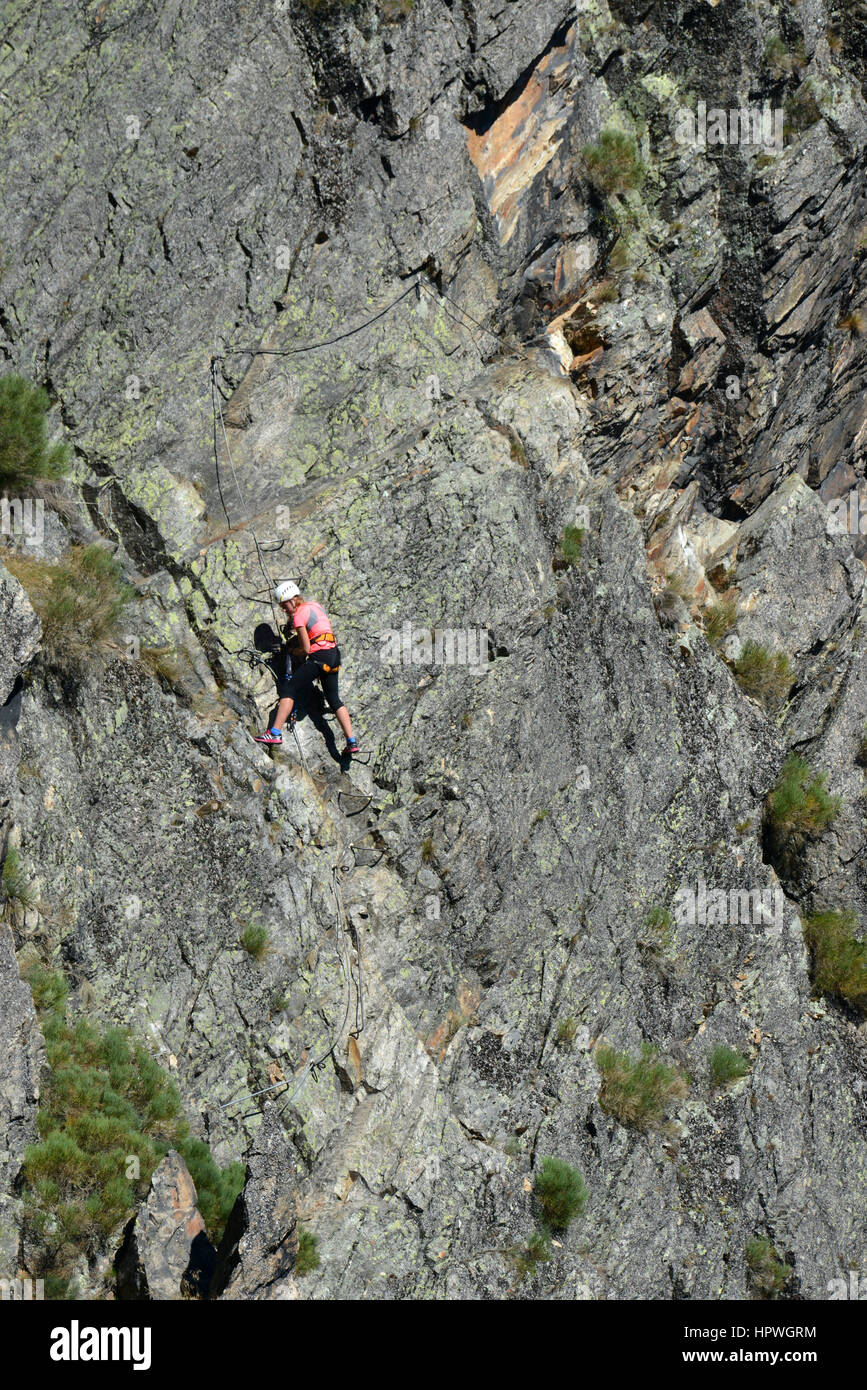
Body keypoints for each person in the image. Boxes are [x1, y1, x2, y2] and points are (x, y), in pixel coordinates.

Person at [254, 581, 359, 755]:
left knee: (289, 688)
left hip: (319, 657)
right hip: (333, 655)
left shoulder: (298, 616)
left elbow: (306, 649)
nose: (283, 609)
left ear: (292, 600)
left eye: (284, 605)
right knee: (334, 699)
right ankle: (352, 742)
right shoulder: (315, 606)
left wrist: (292, 650)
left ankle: (274, 733)